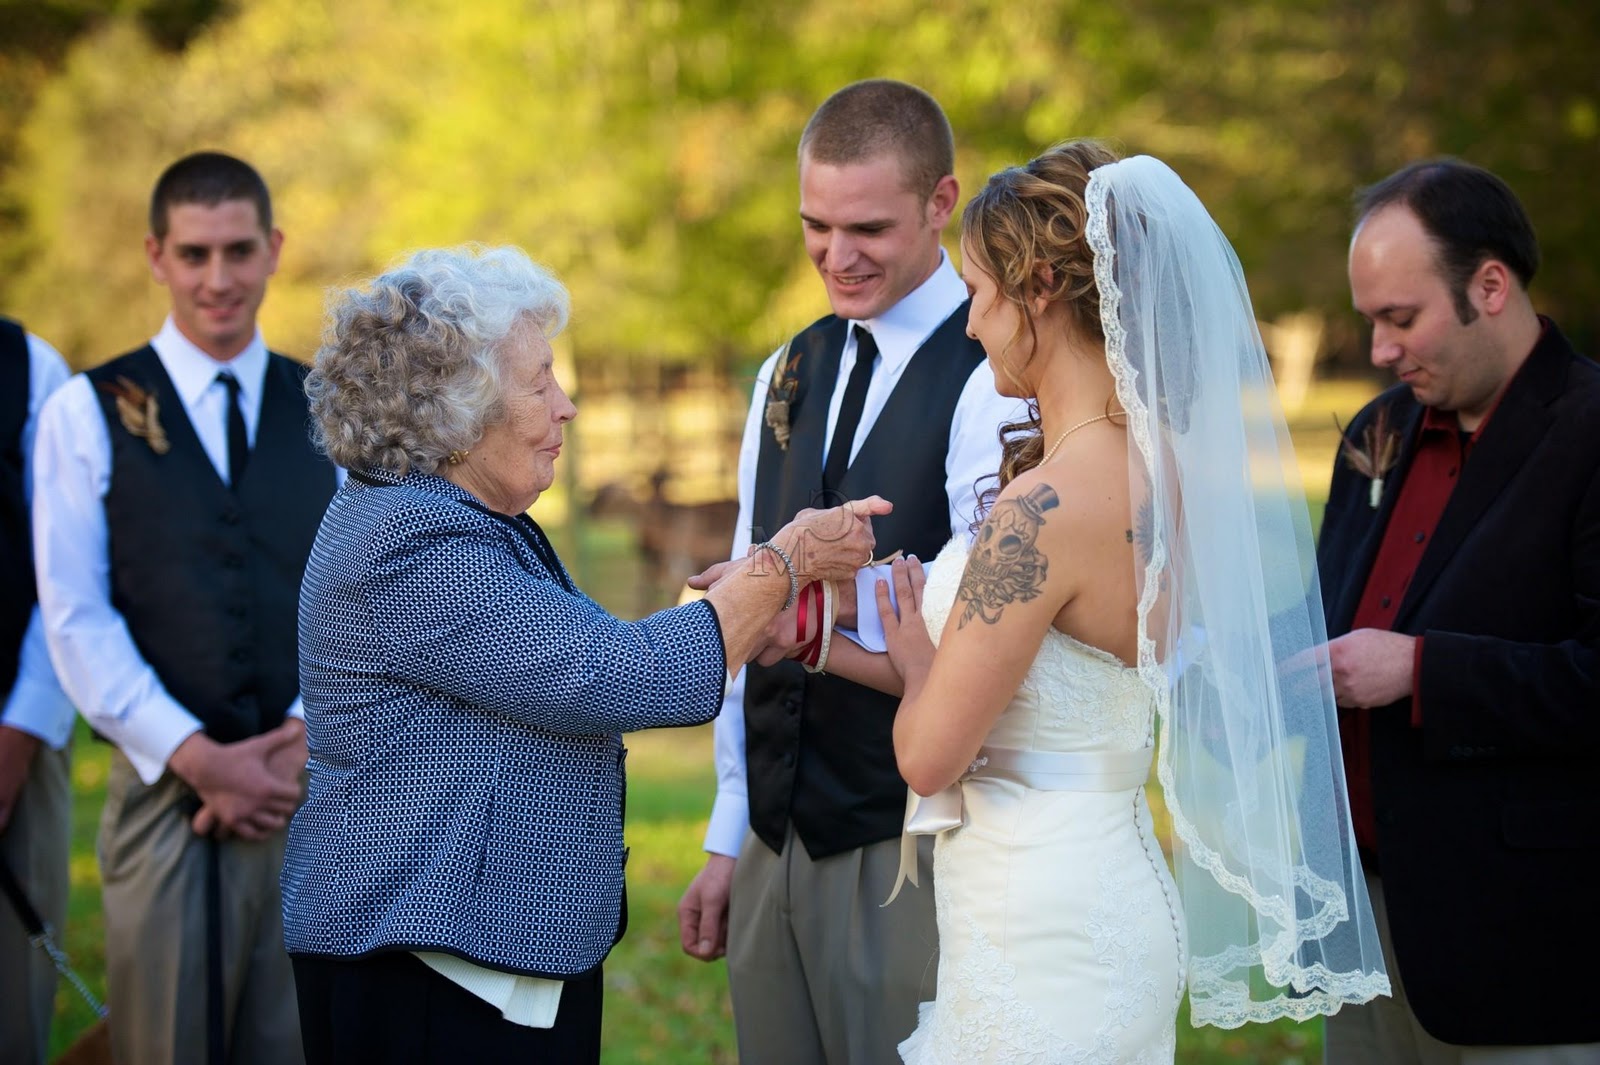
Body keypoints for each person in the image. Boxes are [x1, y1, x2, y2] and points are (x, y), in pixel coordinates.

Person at [805, 142, 1390, 1061]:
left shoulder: (1039, 512)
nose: (971, 326)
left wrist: (919, 647)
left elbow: (927, 757)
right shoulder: (1162, 477)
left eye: (982, 294)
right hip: (1111, 884)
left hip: (1035, 920)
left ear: (1040, 285)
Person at [279, 244, 883, 1064]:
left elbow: (588, 653)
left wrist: (747, 590)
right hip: (429, 975)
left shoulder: (450, 520)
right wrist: (785, 562)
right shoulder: (412, 543)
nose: (565, 407)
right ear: (460, 408)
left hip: (469, 959)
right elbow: (621, 675)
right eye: (540, 383)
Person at [674, 78, 1022, 1063]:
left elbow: (986, 622)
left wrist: (827, 611)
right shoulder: (787, 368)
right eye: (814, 226)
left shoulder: (991, 376)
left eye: (865, 227)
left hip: (908, 840)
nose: (836, 255)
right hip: (775, 834)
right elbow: (750, 593)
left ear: (940, 203)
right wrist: (727, 831)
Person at [33, 151, 335, 1065]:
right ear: (156, 255)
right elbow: (75, 617)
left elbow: (357, 595)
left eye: (238, 251)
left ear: (274, 249)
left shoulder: (328, 408)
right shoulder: (85, 411)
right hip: (163, 797)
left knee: (298, 1043)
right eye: (195, 254)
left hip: (308, 790)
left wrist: (295, 737)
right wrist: (197, 756)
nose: (219, 279)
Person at [1319, 160, 1600, 1063]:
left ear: (1491, 285)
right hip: (1362, 920)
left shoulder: (1589, 428)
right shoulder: (1376, 432)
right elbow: (1336, 608)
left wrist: (1420, 670)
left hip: (1526, 936)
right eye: (1372, 321)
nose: (1380, 351)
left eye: (1402, 319)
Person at [0, 318, 74, 1065]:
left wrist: (17, 737)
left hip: (19, 743)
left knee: (13, 1016)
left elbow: (65, 572)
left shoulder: (31, 368)